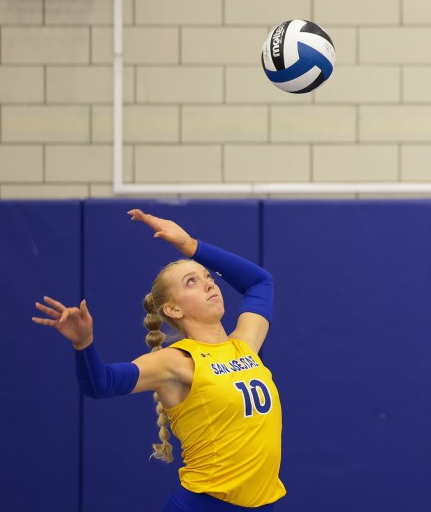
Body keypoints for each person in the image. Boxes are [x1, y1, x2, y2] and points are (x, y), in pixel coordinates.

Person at [32, 209, 286, 512]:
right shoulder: (176, 361)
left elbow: (260, 281)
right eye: (192, 282)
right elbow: (101, 384)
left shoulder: (244, 344)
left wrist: (191, 245)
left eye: (207, 277)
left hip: (264, 505)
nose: (209, 284)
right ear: (173, 310)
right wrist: (83, 342)